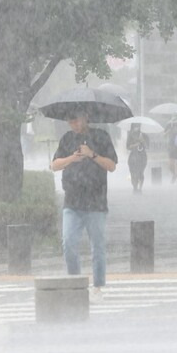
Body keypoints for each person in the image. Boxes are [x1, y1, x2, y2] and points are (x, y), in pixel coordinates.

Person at [50, 109, 117, 302]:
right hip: (72, 201)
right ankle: (76, 284)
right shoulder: (66, 139)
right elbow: (54, 165)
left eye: (77, 120)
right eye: (70, 121)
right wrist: (73, 158)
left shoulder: (101, 136)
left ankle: (97, 286)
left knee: (98, 245)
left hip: (96, 201)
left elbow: (111, 166)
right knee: (68, 242)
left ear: (86, 117)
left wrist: (92, 154)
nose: (74, 125)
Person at [126, 123, 149, 193]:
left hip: (142, 157)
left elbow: (147, 147)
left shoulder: (145, 135)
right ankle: (135, 187)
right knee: (133, 173)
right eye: (135, 126)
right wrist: (136, 144)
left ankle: (140, 188)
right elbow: (127, 147)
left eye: (138, 126)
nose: (137, 128)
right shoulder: (130, 135)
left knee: (140, 173)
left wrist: (142, 141)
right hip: (133, 156)